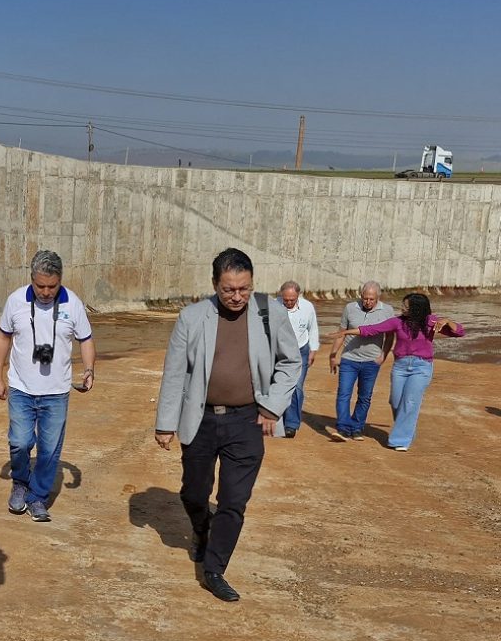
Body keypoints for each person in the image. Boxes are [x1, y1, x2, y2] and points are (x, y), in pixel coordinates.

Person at [154, 248, 301, 602]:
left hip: (247, 420)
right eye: (229, 290)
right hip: (200, 419)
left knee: (234, 500)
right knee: (193, 492)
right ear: (214, 285)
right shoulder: (191, 318)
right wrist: (165, 423)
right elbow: (175, 373)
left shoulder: (271, 312)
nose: (237, 297)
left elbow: (291, 362)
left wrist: (271, 407)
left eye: (244, 289)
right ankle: (201, 529)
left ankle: (214, 568)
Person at [0, 250, 95, 522]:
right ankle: (20, 483)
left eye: (52, 286)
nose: (46, 292)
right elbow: (3, 337)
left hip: (56, 392)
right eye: (40, 286)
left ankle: (37, 497)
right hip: (21, 388)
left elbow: (85, 339)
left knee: (49, 450)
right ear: (31, 280)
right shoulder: (16, 301)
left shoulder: (72, 303)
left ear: (60, 280)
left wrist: (89, 369)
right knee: (20, 441)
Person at [336, 293, 464, 451]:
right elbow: (372, 329)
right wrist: (345, 332)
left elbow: (459, 332)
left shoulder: (431, 322)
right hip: (400, 367)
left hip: (421, 367)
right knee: (396, 402)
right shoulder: (397, 322)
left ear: (416, 308)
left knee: (409, 403)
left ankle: (400, 441)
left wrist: (447, 321)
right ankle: (407, 431)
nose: (402, 308)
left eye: (406, 306)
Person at [326, 282, 394, 441]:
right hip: (349, 358)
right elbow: (341, 333)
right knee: (343, 393)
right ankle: (343, 428)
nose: (367, 302)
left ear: (378, 297)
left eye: (371, 299)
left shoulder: (388, 311)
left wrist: (383, 356)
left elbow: (390, 336)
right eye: (365, 298)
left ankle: (356, 427)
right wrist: (333, 354)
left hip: (371, 361)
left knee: (365, 396)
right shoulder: (350, 308)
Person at [276, 280, 320, 437]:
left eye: (292, 300)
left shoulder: (307, 307)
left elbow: (313, 329)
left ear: (298, 296)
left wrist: (313, 350)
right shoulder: (273, 306)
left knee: (297, 387)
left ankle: (291, 424)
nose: (288, 302)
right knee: (279, 386)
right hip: (279, 352)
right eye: (285, 299)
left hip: (301, 350)